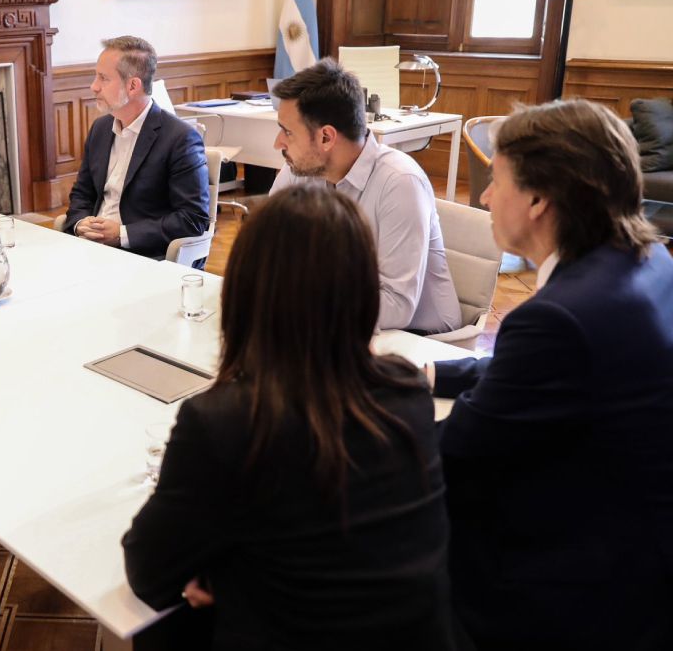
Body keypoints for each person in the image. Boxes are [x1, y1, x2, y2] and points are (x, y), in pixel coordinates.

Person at [123, 185, 455, 651]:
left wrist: (226, 574)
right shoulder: (407, 390)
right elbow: (347, 545)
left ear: (246, 293)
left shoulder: (223, 423)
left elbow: (148, 573)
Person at [429, 99, 673, 650]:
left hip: (582, 588)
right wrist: (432, 374)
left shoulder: (560, 318)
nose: (485, 197)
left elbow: (455, 454)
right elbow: (551, 373)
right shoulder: (646, 261)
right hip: (640, 541)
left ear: (539, 200)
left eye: (497, 181)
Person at [269, 59, 460, 334]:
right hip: (343, 326)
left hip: (421, 339)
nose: (278, 143)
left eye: (287, 132)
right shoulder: (299, 171)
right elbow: (269, 254)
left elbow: (397, 305)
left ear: (326, 137)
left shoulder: (400, 182)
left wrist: (304, 306)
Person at [64, 36, 210, 260]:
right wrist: (80, 223)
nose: (94, 87)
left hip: (143, 256)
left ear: (133, 86)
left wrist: (122, 234)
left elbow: (193, 219)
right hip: (91, 248)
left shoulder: (180, 138)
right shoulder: (100, 129)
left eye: (103, 78)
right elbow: (82, 194)